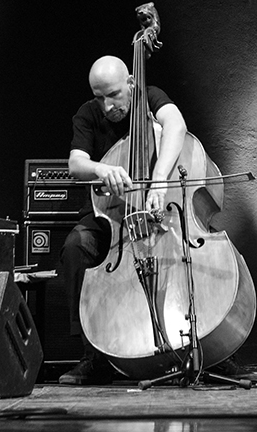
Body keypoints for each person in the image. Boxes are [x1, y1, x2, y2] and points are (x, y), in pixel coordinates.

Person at [56, 54, 188, 385]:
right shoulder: (87, 115)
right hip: (111, 215)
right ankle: (93, 357)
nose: (106, 106)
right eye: (99, 97)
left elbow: (176, 125)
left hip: (160, 210)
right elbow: (75, 164)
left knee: (199, 249)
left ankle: (216, 353)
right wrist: (102, 169)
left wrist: (159, 180)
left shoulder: (150, 96)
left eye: (113, 95)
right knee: (76, 247)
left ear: (130, 84)